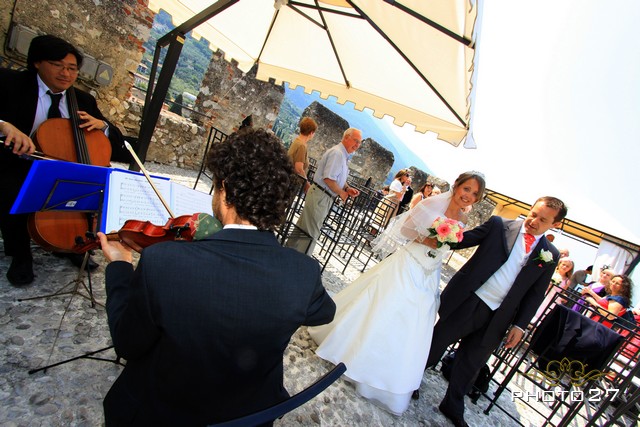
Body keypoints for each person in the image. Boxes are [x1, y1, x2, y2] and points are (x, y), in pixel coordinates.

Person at [97, 128, 336, 426]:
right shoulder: (303, 273)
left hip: (163, 414)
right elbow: (325, 312)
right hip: (248, 416)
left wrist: (119, 266)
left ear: (224, 191)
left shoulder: (164, 263)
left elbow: (127, 343)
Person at [308, 171, 486, 416]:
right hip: (410, 264)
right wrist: (427, 240)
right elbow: (404, 230)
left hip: (429, 274)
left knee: (412, 326)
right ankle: (354, 358)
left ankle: (389, 379)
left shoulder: (463, 219)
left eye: (475, 194)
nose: (469, 196)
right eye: (467, 189)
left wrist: (439, 245)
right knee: (385, 309)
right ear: (456, 187)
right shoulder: (431, 204)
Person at [420, 196, 567, 427]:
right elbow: (464, 240)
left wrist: (519, 325)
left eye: (543, 219)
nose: (534, 221)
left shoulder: (550, 255)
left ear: (555, 225)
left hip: (499, 316)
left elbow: (535, 294)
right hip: (471, 300)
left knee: (472, 362)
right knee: (438, 341)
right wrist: (441, 234)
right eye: (533, 213)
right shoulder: (500, 225)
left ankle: (452, 404)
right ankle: (411, 381)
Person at [0, 34, 123, 286]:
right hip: (19, 162)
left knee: (90, 190)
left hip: (67, 167)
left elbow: (118, 145)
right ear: (37, 63)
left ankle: (75, 246)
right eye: (58, 65)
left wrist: (104, 126)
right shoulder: (10, 82)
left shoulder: (84, 100)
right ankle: (20, 255)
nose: (66, 74)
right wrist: (4, 126)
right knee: (10, 188)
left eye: (72, 68)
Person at [285, 128, 362, 255]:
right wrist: (342, 193)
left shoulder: (342, 155)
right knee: (311, 233)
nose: (357, 145)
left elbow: (337, 176)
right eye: (355, 141)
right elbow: (328, 178)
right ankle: (303, 264)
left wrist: (347, 188)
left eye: (359, 143)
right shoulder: (338, 154)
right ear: (346, 137)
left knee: (302, 228)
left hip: (320, 195)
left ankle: (287, 252)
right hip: (321, 195)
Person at [532, 257, 575, 323]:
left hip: (554, 296)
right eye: (563, 264)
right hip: (545, 292)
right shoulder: (552, 271)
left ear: (570, 269)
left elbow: (562, 291)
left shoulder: (567, 280)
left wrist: (564, 296)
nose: (564, 267)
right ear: (560, 264)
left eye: (567, 266)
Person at [287, 116, 318, 193]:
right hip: (290, 183)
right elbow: (299, 169)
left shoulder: (297, 141)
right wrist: (307, 184)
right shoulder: (301, 146)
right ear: (311, 133)